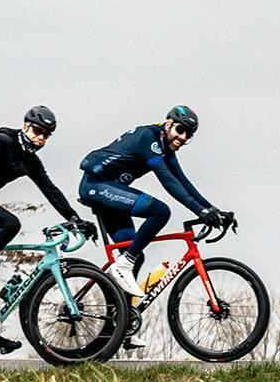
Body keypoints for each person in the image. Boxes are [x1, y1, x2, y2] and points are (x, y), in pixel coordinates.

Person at [0, 105, 97, 352]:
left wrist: (75, 218)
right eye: (37, 131)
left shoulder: (30, 162)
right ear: (25, 126)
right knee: (10, 223)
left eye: (46, 135)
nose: (40, 138)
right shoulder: (6, 139)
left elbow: (51, 190)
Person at [78, 105, 231, 316]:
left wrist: (212, 209)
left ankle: (118, 323)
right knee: (160, 212)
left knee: (135, 255)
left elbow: (182, 181)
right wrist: (199, 211)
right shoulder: (148, 138)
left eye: (189, 135)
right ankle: (124, 264)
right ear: (168, 124)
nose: (183, 137)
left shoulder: (166, 147)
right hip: (96, 185)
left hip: (112, 193)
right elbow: (167, 181)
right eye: (180, 130)